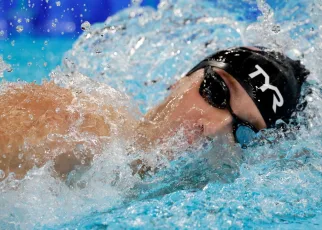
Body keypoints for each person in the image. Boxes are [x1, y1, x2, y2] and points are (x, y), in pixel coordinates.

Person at [0, 46, 309, 181]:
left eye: (242, 130)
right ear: (182, 80)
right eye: (216, 91)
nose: (215, 127)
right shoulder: (71, 124)